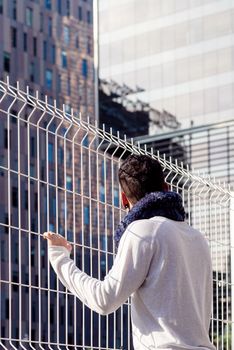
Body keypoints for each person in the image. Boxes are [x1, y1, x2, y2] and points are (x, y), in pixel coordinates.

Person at [44, 154, 215, 350]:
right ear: (167, 187)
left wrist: (60, 257)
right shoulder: (198, 238)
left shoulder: (142, 231)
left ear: (124, 198)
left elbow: (104, 299)